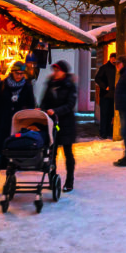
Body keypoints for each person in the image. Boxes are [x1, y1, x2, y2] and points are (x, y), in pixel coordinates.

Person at [0, 61, 37, 196]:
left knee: (12, 156)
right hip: (1, 126)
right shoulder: (2, 85)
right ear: (12, 72)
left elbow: (31, 105)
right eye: (17, 73)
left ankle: (8, 182)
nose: (19, 76)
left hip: (17, 127)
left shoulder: (27, 87)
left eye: (22, 73)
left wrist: (29, 122)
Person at [40, 60, 77, 192]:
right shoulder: (50, 84)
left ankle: (69, 181)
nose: (55, 73)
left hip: (66, 123)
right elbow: (44, 101)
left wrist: (56, 111)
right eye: (54, 70)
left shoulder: (69, 85)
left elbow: (70, 104)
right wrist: (43, 110)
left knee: (68, 153)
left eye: (58, 70)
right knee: (52, 153)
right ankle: (52, 179)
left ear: (64, 72)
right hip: (52, 123)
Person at [94, 53, 119, 139]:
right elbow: (97, 78)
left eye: (115, 59)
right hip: (105, 95)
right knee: (104, 114)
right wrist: (105, 86)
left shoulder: (117, 68)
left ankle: (108, 131)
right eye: (113, 58)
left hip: (114, 95)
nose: (114, 60)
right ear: (110, 58)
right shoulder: (104, 68)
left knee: (111, 114)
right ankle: (103, 132)